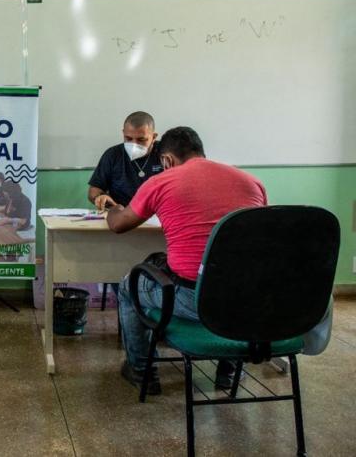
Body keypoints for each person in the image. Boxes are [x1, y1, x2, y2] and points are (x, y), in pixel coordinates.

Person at [106, 127, 268, 395]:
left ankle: (141, 370)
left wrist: (113, 210)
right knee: (231, 273)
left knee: (127, 286)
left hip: (191, 298)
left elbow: (120, 226)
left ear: (167, 160)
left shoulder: (160, 182)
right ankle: (229, 372)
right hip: (245, 300)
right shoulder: (252, 182)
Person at [88, 111, 162, 211]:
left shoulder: (165, 153)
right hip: (121, 215)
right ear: (123, 133)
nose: (134, 144)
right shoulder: (113, 154)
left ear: (153, 137)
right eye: (128, 138)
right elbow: (94, 190)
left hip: (159, 215)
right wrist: (100, 197)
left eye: (141, 139)